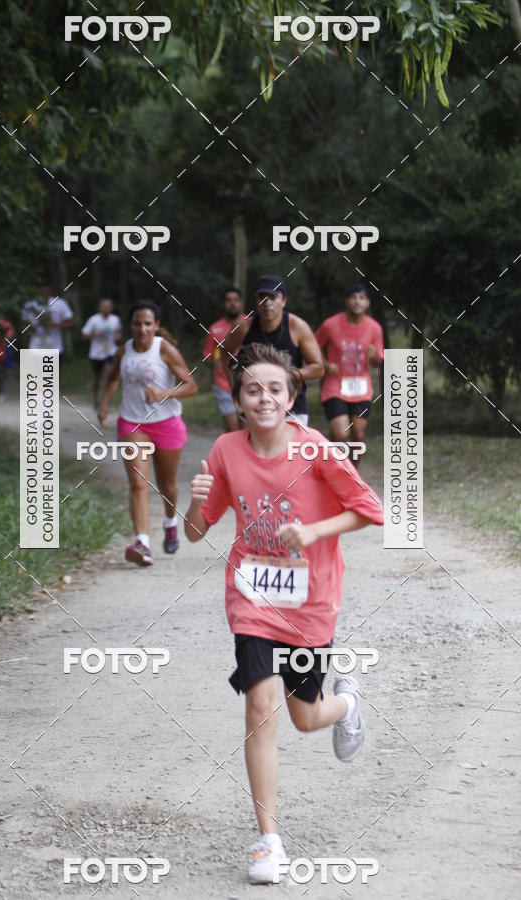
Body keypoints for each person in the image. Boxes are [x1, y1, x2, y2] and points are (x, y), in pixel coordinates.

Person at [184, 342, 383, 885]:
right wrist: (191, 498)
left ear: (291, 396)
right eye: (253, 389)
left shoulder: (316, 448)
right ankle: (269, 841)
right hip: (252, 599)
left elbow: (371, 510)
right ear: (238, 397)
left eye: (275, 388)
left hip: (309, 602)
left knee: (304, 716)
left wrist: (314, 531)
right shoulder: (225, 450)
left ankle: (344, 705)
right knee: (260, 705)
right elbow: (196, 532)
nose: (265, 397)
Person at [99, 300, 198, 565]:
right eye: (137, 323)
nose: (142, 329)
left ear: (156, 325)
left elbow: (191, 386)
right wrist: (104, 403)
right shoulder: (123, 351)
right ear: (130, 326)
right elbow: (111, 378)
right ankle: (142, 543)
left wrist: (164, 393)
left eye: (147, 323)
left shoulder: (165, 349)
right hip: (132, 423)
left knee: (167, 485)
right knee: (138, 483)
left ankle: (169, 521)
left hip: (166, 422)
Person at [221, 275, 324, 427]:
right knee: (254, 450)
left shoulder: (297, 327)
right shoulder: (244, 328)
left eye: (273, 297)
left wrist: (288, 375)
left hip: (292, 404)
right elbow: (225, 351)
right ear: (257, 302)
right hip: (255, 404)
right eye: (262, 297)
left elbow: (318, 368)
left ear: (283, 301)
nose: (267, 303)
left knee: (289, 450)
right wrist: (234, 386)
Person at [315, 284, 384, 466]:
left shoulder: (374, 328)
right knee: (340, 434)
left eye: (361, 298)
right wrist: (324, 364)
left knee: (358, 435)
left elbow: (377, 361)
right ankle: (329, 457)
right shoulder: (330, 325)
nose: (357, 301)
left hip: (361, 389)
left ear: (367, 303)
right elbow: (313, 344)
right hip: (335, 386)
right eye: (353, 297)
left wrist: (374, 356)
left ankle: (353, 478)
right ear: (347, 301)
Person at [202, 287, 247, 431]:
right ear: (224, 304)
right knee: (234, 429)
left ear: (240, 303)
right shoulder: (215, 329)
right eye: (228, 300)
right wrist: (213, 363)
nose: (232, 304)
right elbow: (207, 356)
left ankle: (227, 450)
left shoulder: (250, 324)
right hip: (224, 385)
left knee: (247, 428)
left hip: (247, 383)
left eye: (235, 300)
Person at [81, 298, 123, 410]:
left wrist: (118, 336)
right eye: (104, 307)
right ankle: (95, 398)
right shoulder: (93, 320)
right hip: (96, 354)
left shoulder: (115, 319)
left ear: (111, 308)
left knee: (108, 375)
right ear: (100, 308)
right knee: (97, 378)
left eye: (108, 307)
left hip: (110, 352)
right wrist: (95, 334)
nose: (106, 309)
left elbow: (118, 332)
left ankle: (106, 400)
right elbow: (84, 336)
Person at [22, 280, 75, 363]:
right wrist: (34, 325)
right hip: (35, 348)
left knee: (52, 376)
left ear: (50, 290)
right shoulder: (30, 305)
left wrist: (56, 325)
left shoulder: (59, 303)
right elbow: (23, 327)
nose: (44, 293)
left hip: (54, 348)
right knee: (36, 376)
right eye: (42, 290)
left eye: (46, 290)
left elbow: (72, 325)